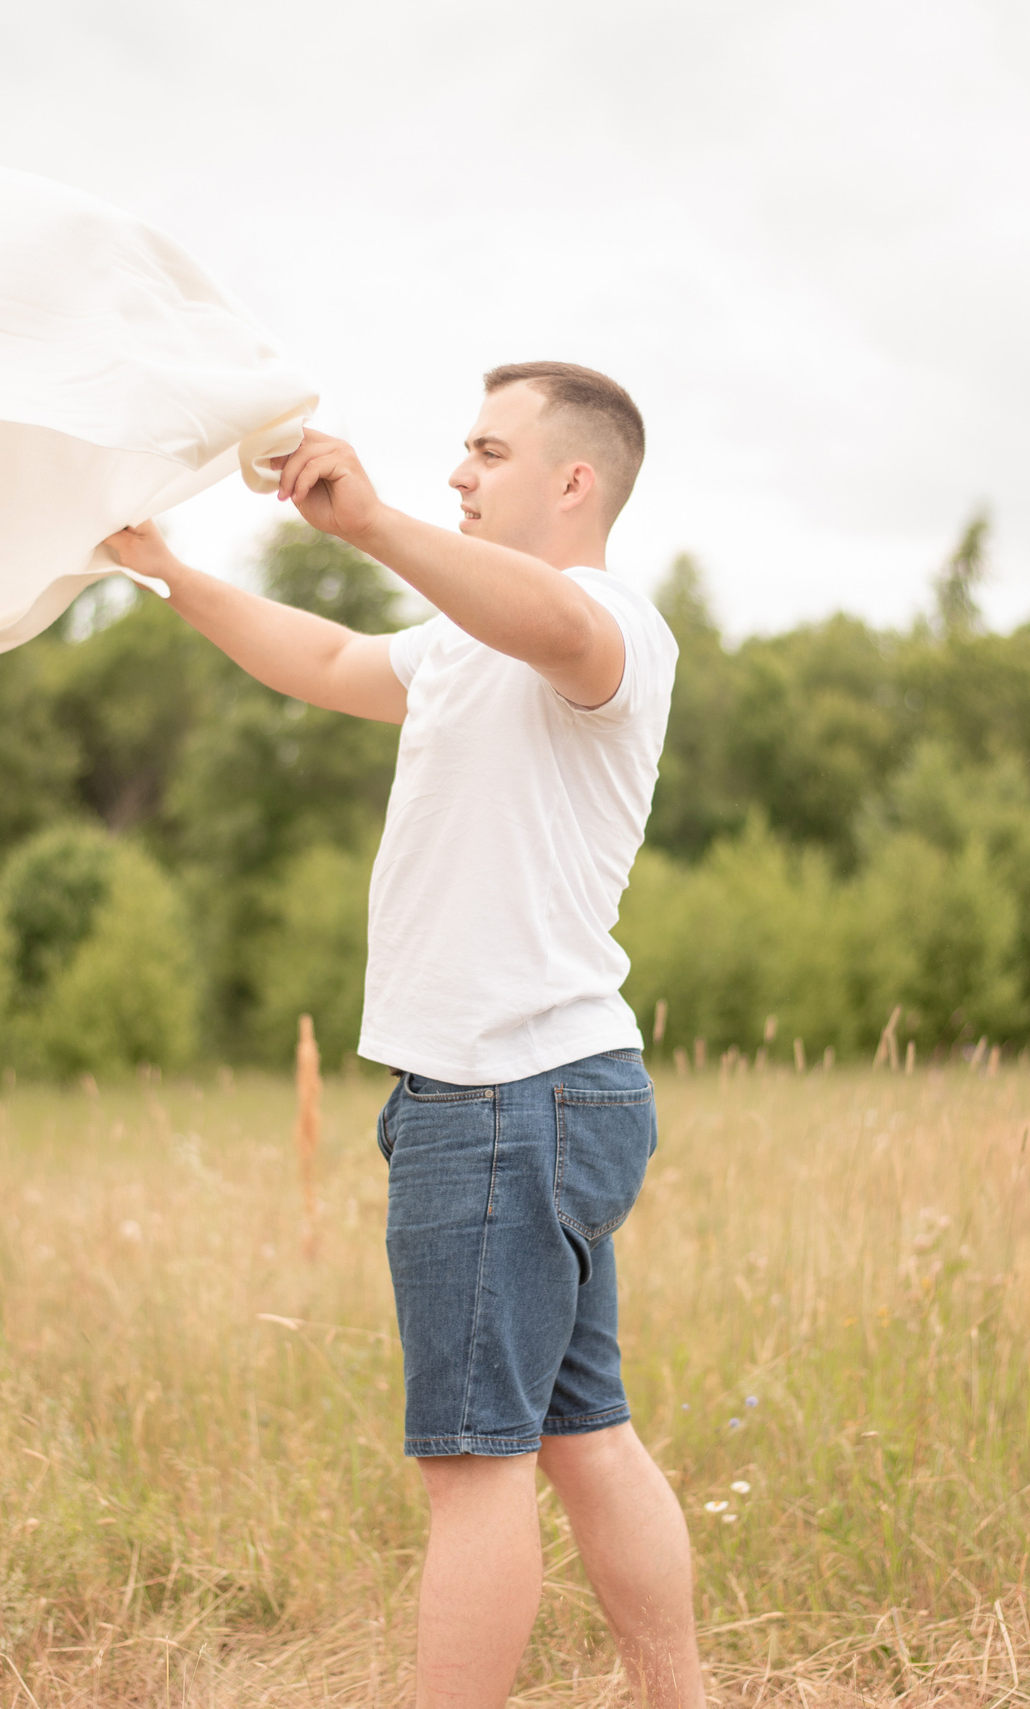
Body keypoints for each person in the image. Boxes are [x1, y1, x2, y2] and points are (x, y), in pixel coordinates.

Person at [104, 361, 699, 1708]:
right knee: (586, 1438)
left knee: (475, 1469)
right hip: (547, 1091)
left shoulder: (606, 622)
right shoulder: (465, 644)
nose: (457, 473)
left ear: (574, 480)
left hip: (505, 1095)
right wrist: (167, 572)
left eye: (487, 451)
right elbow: (325, 659)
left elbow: (554, 618)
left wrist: (369, 522)